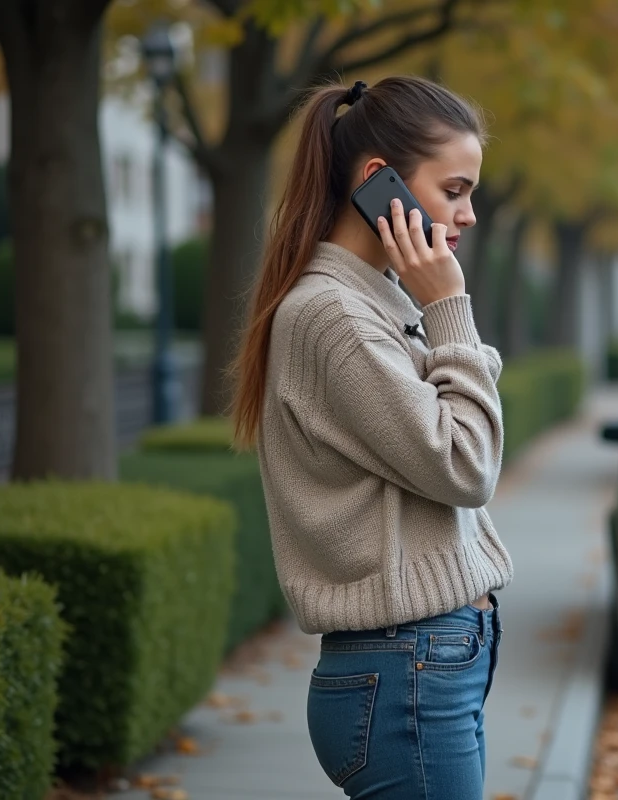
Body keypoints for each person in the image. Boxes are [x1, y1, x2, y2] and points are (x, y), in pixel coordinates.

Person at [229, 76, 511, 800]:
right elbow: (465, 461)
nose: (469, 214)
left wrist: (442, 316)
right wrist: (448, 304)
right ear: (379, 181)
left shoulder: (375, 301)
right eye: (454, 190)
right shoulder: (335, 317)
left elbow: (463, 398)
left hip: (421, 665)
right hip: (406, 667)